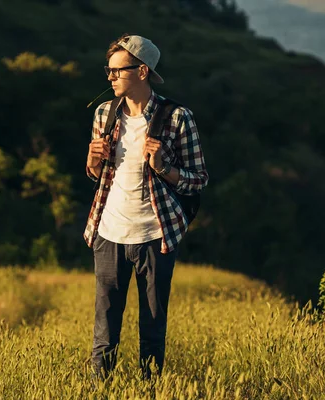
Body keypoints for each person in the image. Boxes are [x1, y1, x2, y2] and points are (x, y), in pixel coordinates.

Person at [83, 33, 209, 380]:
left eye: (117, 71)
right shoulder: (104, 113)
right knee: (104, 332)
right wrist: (93, 162)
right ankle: (99, 390)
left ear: (142, 72)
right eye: (108, 70)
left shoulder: (177, 118)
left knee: (152, 329)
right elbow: (97, 177)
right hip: (109, 234)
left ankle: (149, 390)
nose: (110, 77)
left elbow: (198, 179)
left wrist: (163, 168)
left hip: (156, 236)